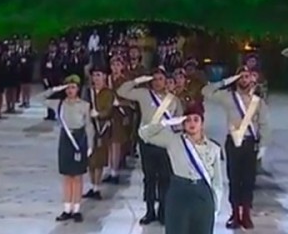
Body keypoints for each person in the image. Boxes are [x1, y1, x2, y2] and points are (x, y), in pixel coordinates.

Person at [201, 68, 270, 229]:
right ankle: (234, 214)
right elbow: (206, 91)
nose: (244, 79)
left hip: (250, 143)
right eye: (241, 76)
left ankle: (246, 214)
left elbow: (265, 125)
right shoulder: (228, 98)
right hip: (233, 142)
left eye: (247, 76)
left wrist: (264, 145)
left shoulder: (258, 102)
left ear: (252, 80)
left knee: (248, 181)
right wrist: (227, 80)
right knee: (234, 179)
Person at [138, 106, 223, 234]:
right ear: (182, 124)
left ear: (202, 124)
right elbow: (143, 134)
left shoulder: (213, 148)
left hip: (203, 195)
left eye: (196, 120)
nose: (192, 123)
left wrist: (216, 207)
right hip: (179, 192)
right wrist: (165, 123)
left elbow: (217, 182)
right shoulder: (173, 140)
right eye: (188, 120)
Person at [116, 67, 181, 225]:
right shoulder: (144, 95)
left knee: (165, 180)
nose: (157, 82)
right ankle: (150, 211)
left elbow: (179, 123)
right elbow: (122, 91)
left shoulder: (174, 100)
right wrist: (139, 80)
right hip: (148, 144)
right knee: (149, 179)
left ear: (166, 81)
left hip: (166, 145)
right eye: (154, 79)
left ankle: (163, 212)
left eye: (161, 79)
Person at [36, 75, 95, 222]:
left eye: (73, 87)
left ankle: (76, 209)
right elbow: (38, 98)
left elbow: (89, 125)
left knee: (78, 176)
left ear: (78, 89)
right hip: (66, 140)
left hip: (79, 139)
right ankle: (67, 209)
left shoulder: (84, 105)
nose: (70, 90)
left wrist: (90, 144)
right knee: (67, 176)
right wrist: (55, 89)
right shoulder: (59, 104)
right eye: (67, 87)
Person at [83, 68, 114, 200]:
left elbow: (109, 110)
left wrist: (100, 114)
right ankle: (92, 185)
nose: (96, 78)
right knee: (90, 159)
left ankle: (97, 187)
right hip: (89, 128)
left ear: (104, 77)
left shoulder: (108, 93)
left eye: (99, 75)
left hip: (102, 128)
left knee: (99, 159)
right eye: (94, 75)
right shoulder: (87, 92)